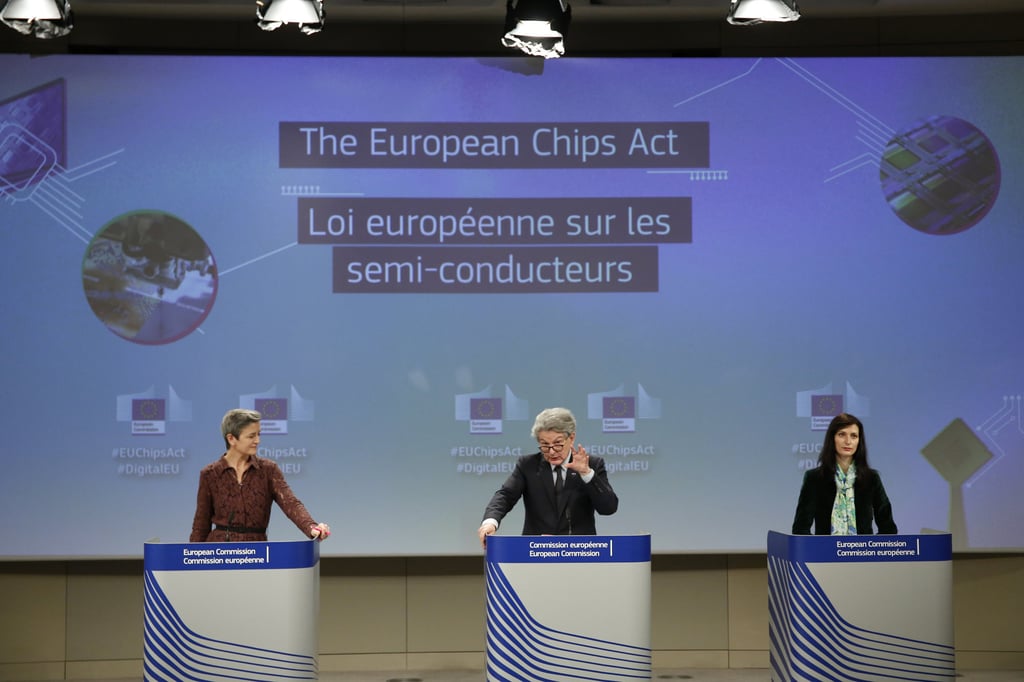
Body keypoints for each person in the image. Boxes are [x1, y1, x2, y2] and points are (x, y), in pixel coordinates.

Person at [477, 407, 618, 547]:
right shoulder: (528, 465)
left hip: (580, 550)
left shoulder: (592, 464)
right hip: (537, 550)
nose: (551, 452)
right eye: (545, 445)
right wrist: (490, 522)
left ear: (571, 438)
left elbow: (608, 508)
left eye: (557, 444)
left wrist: (586, 473)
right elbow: (506, 496)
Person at [190, 408, 331, 542]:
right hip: (220, 552)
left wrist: (311, 527)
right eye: (251, 436)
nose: (258, 440)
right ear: (231, 439)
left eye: (258, 434)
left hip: (257, 551)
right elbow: (201, 525)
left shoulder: (268, 470)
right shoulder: (210, 474)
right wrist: (191, 556)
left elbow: (290, 503)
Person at [792, 412, 897, 535]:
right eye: (842, 434)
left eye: (854, 436)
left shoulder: (872, 478)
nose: (848, 441)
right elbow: (800, 529)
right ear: (832, 438)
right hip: (825, 547)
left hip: (863, 547)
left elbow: (888, 528)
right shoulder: (814, 478)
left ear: (859, 441)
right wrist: (818, 547)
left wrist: (872, 546)